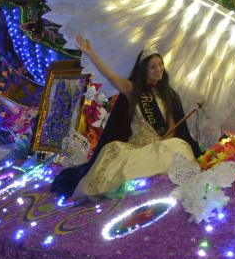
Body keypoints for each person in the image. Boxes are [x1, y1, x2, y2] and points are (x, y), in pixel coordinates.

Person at [52, 36, 201, 200]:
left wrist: (164, 144)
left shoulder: (169, 95)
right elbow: (110, 76)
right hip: (137, 149)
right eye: (153, 67)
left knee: (180, 146)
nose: (158, 70)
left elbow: (172, 128)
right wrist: (90, 53)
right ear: (143, 70)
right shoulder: (132, 90)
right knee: (114, 156)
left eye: (160, 65)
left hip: (160, 146)